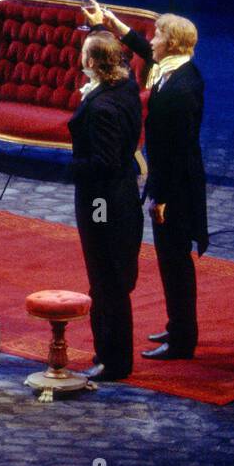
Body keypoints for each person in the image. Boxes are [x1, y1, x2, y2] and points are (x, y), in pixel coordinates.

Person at [85, 1, 207, 360]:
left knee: (176, 262)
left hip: (178, 190)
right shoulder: (172, 69)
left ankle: (183, 339)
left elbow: (179, 150)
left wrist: (163, 197)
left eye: (158, 36)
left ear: (171, 43)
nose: (152, 41)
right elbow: (141, 48)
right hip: (170, 183)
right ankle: (177, 326)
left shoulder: (182, 88)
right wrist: (113, 23)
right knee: (170, 261)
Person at [68, 30, 144, 382]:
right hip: (121, 197)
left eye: (85, 52)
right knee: (110, 282)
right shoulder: (125, 88)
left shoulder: (100, 108)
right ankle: (110, 355)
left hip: (103, 204)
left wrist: (68, 169)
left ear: (93, 61)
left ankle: (112, 361)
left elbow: (104, 162)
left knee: (105, 282)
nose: (80, 56)